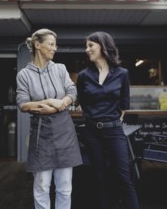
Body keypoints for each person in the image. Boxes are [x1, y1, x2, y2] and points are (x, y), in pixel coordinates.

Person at [16, 28, 82, 209]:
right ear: (38, 45)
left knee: (65, 186)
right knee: (42, 185)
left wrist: (61, 104)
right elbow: (23, 104)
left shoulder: (60, 69)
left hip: (64, 132)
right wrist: (49, 101)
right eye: (51, 44)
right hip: (41, 134)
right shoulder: (24, 75)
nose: (55, 48)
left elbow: (72, 91)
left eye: (55, 45)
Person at [76, 31, 139, 209]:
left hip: (114, 130)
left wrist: (112, 120)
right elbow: (82, 101)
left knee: (123, 177)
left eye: (90, 46)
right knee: (99, 177)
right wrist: (92, 117)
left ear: (103, 47)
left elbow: (124, 104)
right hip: (92, 132)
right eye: (86, 46)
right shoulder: (83, 76)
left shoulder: (122, 73)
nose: (87, 50)